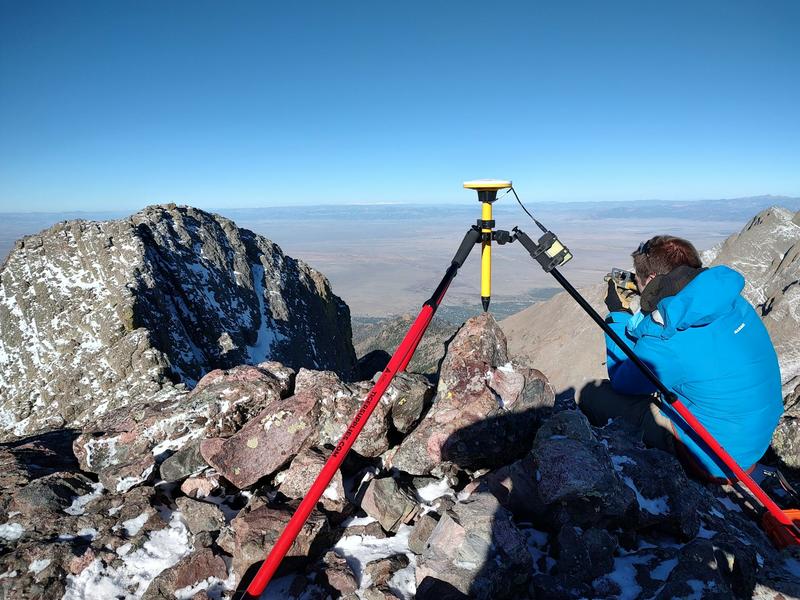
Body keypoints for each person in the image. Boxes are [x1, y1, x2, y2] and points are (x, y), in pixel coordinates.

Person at [577, 235, 783, 480]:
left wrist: (619, 315)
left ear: (652, 280)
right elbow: (684, 328)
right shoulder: (732, 302)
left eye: (641, 280)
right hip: (753, 440)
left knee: (593, 395)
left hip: (715, 459)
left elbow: (623, 379)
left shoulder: (668, 341)